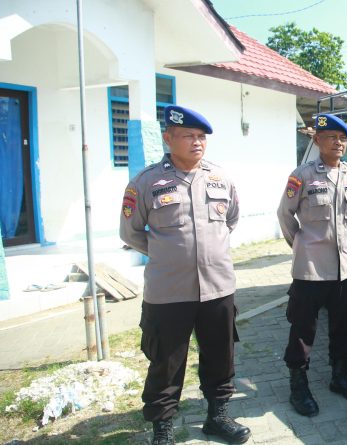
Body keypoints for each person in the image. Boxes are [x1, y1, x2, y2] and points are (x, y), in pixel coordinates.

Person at [120, 105, 251, 444]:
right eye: (188, 136)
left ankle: (217, 416)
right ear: (168, 138)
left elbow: (231, 220)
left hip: (217, 287)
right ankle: (163, 429)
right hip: (168, 291)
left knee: (220, 355)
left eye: (201, 137)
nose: (197, 142)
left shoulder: (220, 178)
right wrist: (168, 254)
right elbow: (130, 232)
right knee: (166, 361)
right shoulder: (146, 182)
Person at [276, 113, 347, 417]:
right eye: (331, 137)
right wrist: (300, 246)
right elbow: (285, 216)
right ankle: (298, 386)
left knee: (344, 327)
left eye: (342, 138)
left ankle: (340, 377)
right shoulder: (302, 175)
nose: (338, 143)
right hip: (310, 269)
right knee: (303, 330)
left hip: (342, 269)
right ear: (317, 141)